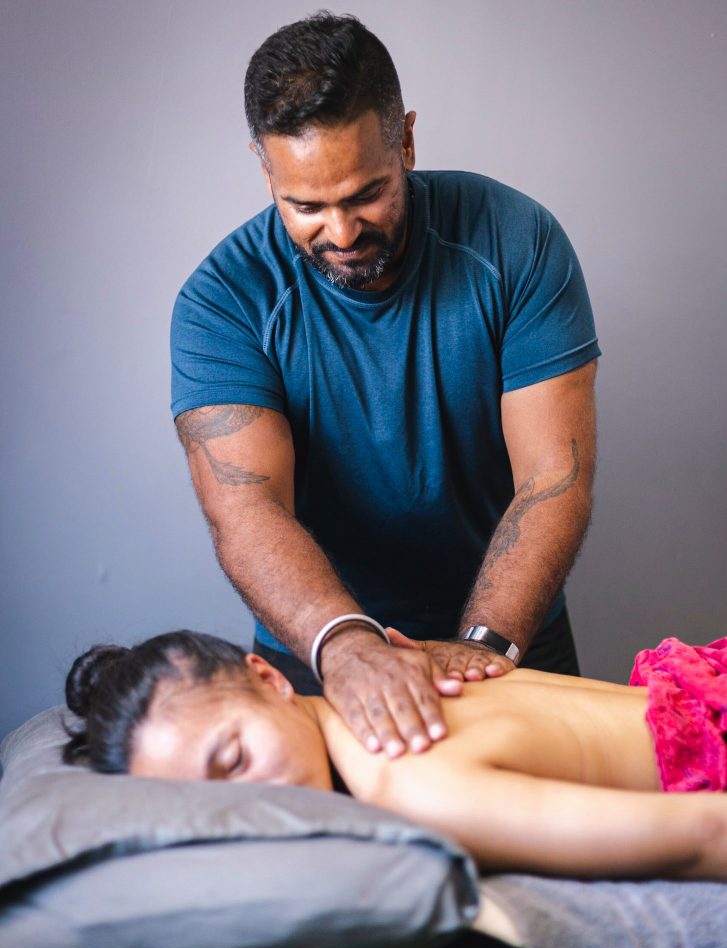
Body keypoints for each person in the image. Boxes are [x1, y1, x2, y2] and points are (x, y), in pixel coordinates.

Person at [170, 13, 600, 758]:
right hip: (319, 653)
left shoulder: (515, 239)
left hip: (509, 634)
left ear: (404, 139)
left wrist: (480, 647)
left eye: (364, 194)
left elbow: (552, 475)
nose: (339, 233)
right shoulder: (221, 301)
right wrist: (347, 646)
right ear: (263, 167)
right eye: (305, 206)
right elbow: (244, 509)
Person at [64, 629, 727, 880]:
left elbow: (700, 838)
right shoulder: (404, 664)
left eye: (234, 761)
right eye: (215, 809)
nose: (252, 805)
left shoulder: (406, 785)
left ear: (269, 679)